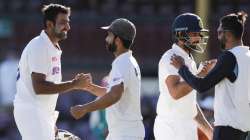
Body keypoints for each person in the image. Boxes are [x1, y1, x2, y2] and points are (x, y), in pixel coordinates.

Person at [13, 4, 90, 140]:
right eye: (62, 23)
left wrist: (49, 121)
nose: (68, 27)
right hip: (32, 112)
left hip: (40, 114)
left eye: (68, 22)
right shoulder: (40, 46)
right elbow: (39, 87)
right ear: (49, 24)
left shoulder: (51, 46)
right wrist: (74, 84)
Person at [171, 11, 250, 140]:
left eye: (220, 32)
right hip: (243, 131)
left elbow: (201, 86)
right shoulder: (247, 56)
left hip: (227, 130)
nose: (218, 36)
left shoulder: (229, 56)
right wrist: (218, 68)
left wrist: (181, 67)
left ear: (228, 34)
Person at [70, 18, 145, 140]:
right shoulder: (128, 61)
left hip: (125, 134)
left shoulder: (122, 63)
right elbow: (112, 93)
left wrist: (84, 109)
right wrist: (89, 87)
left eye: (109, 35)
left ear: (118, 40)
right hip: (124, 132)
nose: (106, 39)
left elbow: (114, 96)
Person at [154, 13, 213, 140]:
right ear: (180, 35)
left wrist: (208, 130)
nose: (199, 38)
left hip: (186, 126)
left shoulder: (189, 60)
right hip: (170, 127)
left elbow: (190, 104)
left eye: (199, 34)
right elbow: (175, 93)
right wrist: (199, 74)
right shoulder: (171, 57)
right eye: (194, 34)